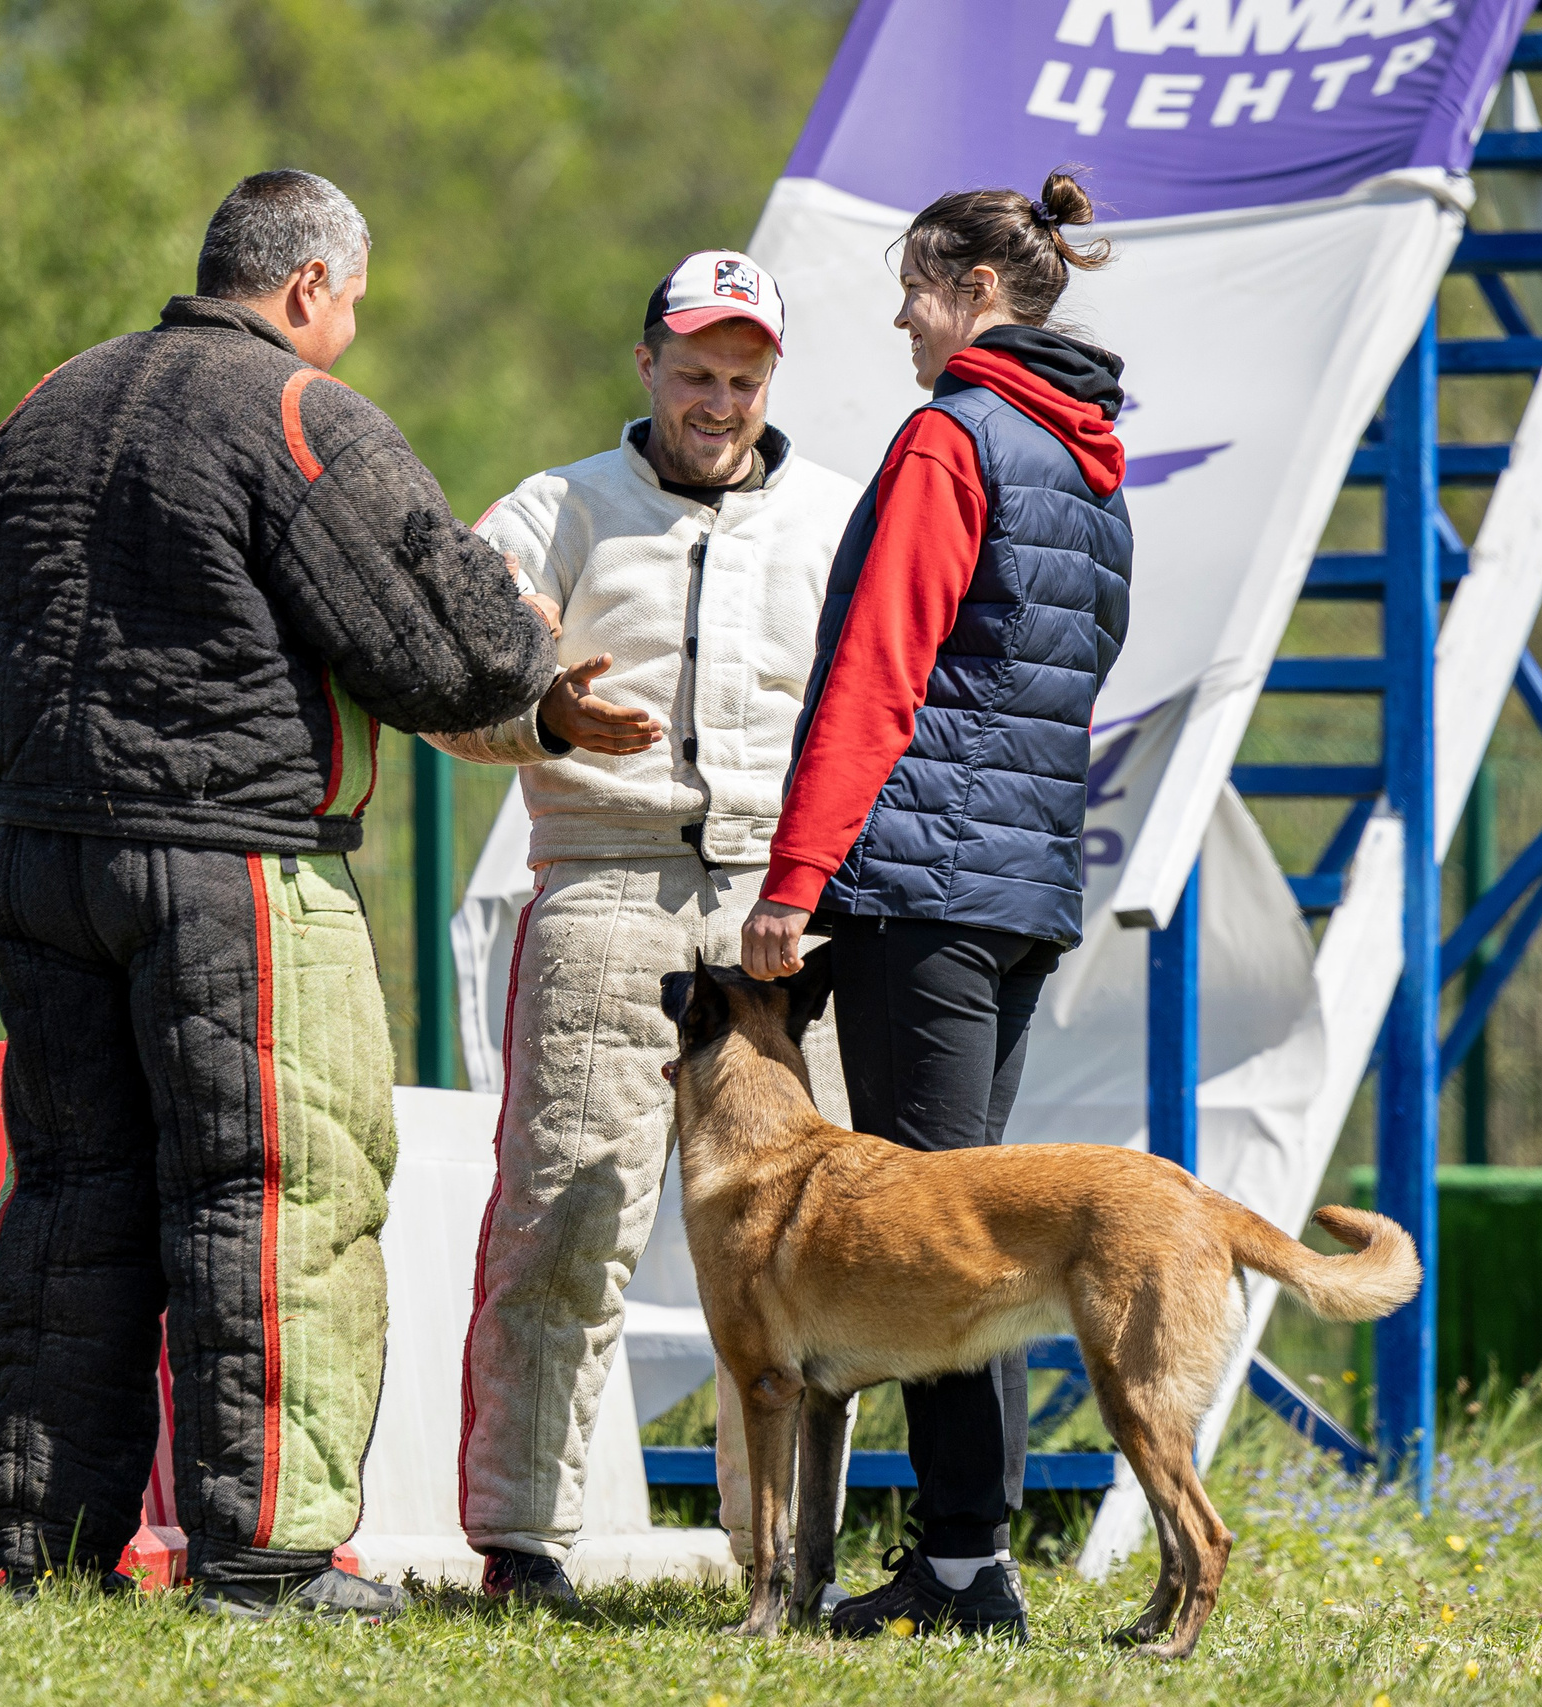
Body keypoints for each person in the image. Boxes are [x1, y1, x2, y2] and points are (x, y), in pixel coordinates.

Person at [0, 169, 556, 1621]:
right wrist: (526, 636)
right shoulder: (294, 414)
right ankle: (265, 1558)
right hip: (235, 871)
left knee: (75, 1200)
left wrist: (9, 823)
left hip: (42, 859)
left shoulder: (46, 405)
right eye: (353, 301)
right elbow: (448, 655)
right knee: (277, 1197)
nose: (351, 327)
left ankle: (44, 1547)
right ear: (307, 290)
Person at [740, 174, 1133, 1640]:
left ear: (976, 287)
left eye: (915, 284)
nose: (900, 315)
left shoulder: (949, 438)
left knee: (928, 1239)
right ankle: (965, 1557)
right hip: (1022, 888)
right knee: (969, 1217)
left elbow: (877, 676)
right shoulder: (1090, 469)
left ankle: (963, 1571)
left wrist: (796, 887)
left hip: (919, 892)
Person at [438, 252, 861, 1602]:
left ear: (771, 379)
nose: (717, 402)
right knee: (566, 1215)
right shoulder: (555, 510)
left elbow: (879, 707)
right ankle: (522, 1541)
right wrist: (548, 716)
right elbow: (447, 681)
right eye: (694, 374)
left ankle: (785, 1557)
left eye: (743, 378)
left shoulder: (836, 519)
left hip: (779, 909)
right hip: (604, 881)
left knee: (811, 1240)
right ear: (645, 366)